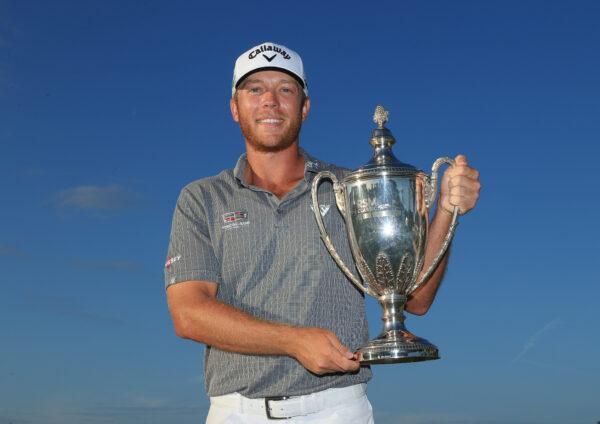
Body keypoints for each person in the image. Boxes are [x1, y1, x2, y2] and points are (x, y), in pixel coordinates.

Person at [165, 41, 481, 423]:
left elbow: (414, 299)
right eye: (255, 89)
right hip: (236, 412)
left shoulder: (349, 187)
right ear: (235, 107)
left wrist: (447, 210)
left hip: (336, 408)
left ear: (305, 107)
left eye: (285, 89)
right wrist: (293, 341)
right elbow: (188, 313)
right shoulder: (202, 198)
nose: (270, 101)